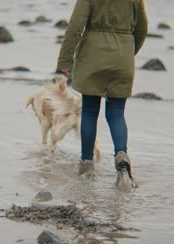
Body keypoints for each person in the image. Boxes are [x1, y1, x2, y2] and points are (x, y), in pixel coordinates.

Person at [56, 0, 148, 177]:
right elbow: (142, 28)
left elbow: (76, 26)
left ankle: (87, 164)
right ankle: (121, 156)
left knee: (90, 111)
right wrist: (127, 51)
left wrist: (65, 60)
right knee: (116, 113)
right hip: (123, 57)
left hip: (92, 56)